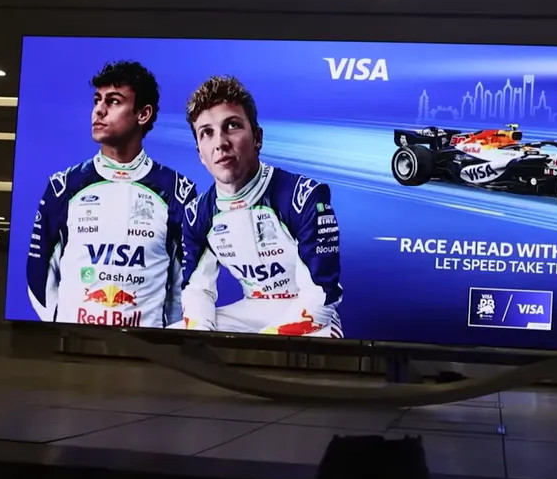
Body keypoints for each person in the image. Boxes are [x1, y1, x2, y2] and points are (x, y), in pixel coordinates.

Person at [26, 61, 196, 328]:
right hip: (75, 353)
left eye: (114, 101)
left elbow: (187, 285)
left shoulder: (178, 191)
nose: (99, 110)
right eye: (97, 100)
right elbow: (38, 276)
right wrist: (67, 329)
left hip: (152, 356)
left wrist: (166, 338)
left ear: (143, 114)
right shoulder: (63, 186)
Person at [180, 75, 342, 336]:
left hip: (310, 312)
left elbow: (322, 297)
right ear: (200, 152)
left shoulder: (305, 196)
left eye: (231, 126)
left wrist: (261, 342)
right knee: (176, 336)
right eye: (206, 133)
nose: (220, 143)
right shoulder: (198, 214)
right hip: (250, 310)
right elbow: (197, 291)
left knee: (319, 336)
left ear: (257, 137)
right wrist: (202, 339)